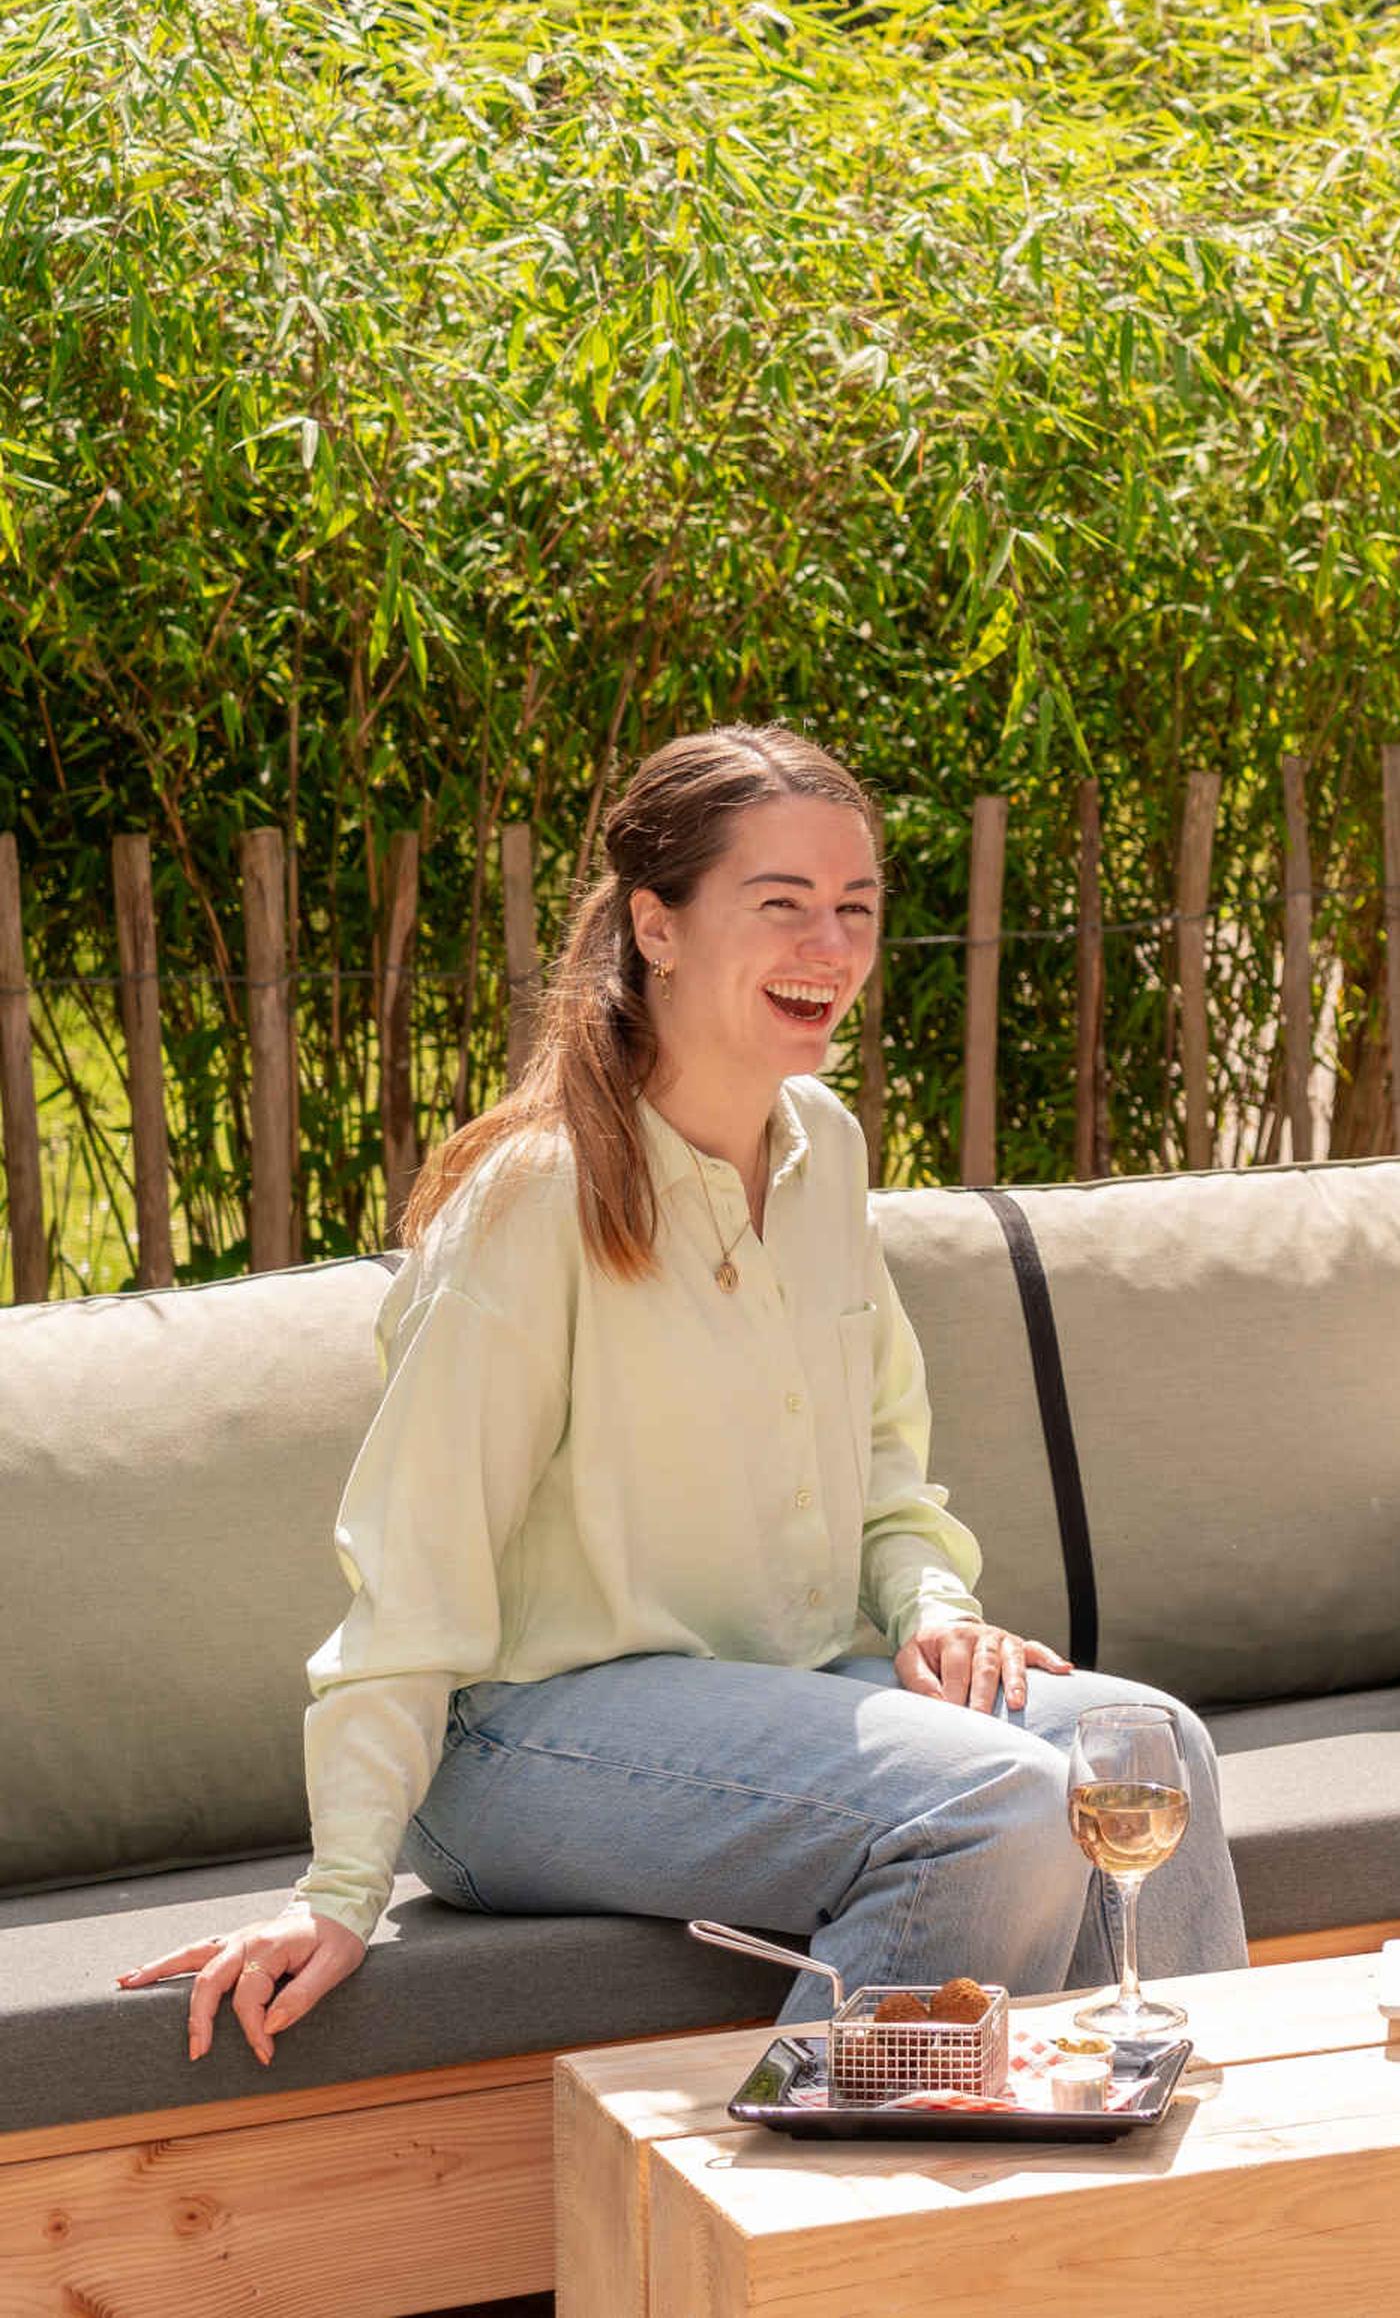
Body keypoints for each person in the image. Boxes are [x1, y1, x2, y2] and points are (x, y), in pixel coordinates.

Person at [120, 726, 1244, 2066]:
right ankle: (826, 2244)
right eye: (782, 907)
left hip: (785, 1681)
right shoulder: (536, 1200)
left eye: (856, 910)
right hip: (519, 1744)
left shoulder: (822, 1150)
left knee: (1148, 1748)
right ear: (656, 924)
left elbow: (885, 1459)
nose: (829, 949)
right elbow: (415, 1566)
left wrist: (935, 1612)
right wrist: (339, 1889)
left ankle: (1167, 2185)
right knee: (997, 1802)